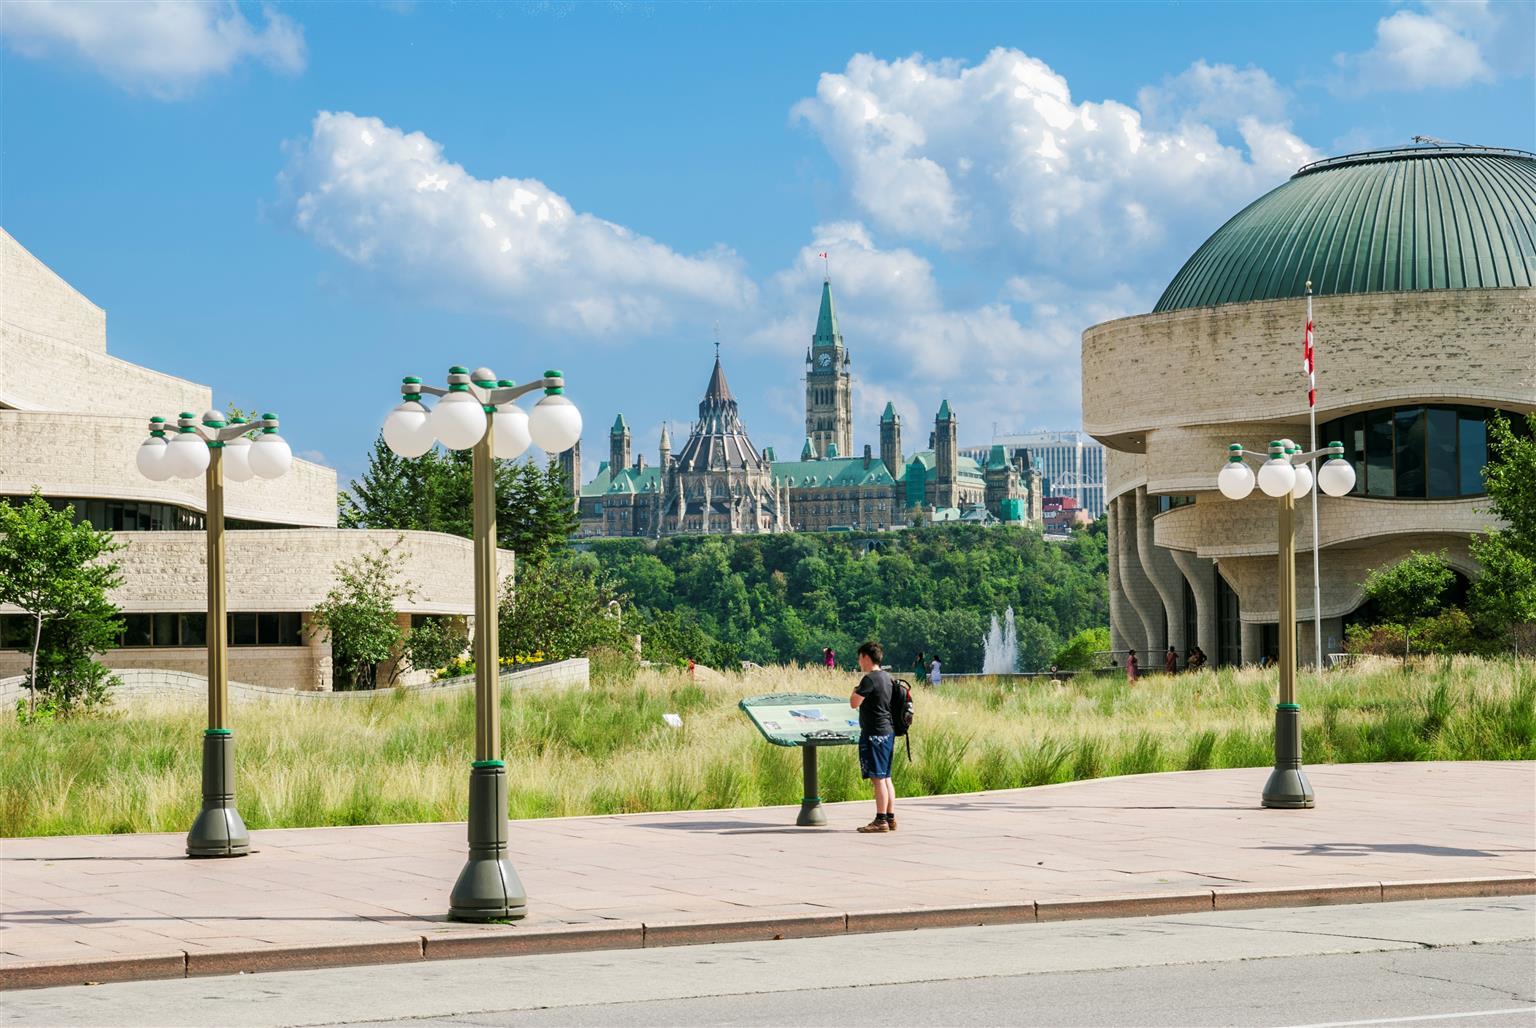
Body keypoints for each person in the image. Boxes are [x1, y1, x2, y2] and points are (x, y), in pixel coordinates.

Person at [849, 641, 897, 833]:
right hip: (888, 731)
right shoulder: (888, 677)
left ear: (866, 657)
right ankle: (890, 817)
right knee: (886, 777)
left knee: (877, 778)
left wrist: (854, 690)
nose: (859, 662)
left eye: (860, 658)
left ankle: (880, 820)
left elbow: (854, 703)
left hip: (874, 733)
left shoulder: (869, 679)